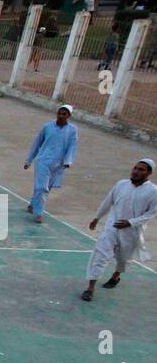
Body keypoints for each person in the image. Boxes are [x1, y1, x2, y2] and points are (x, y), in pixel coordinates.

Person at [82, 158, 157, 301]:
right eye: (135, 168)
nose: (136, 171)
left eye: (141, 170)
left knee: (123, 259)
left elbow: (151, 213)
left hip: (132, 232)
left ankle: (116, 276)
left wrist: (130, 222)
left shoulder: (153, 191)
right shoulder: (121, 184)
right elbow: (108, 201)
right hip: (112, 227)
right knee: (100, 255)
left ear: (148, 173)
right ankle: (90, 287)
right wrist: (97, 217)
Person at [24, 104, 77, 224]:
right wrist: (29, 160)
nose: (61, 116)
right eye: (59, 113)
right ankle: (38, 213)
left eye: (64, 114)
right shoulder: (47, 127)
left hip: (58, 164)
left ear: (69, 116)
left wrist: (68, 161)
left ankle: (33, 204)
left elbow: (72, 146)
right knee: (41, 187)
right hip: (43, 160)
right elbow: (37, 144)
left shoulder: (72, 130)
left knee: (46, 188)